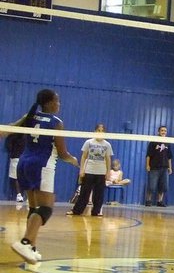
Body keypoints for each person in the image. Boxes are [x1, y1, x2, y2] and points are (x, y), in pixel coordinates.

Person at [6, 89, 79, 263]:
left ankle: (31, 247)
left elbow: (8, 129)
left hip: (23, 164)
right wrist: (73, 160)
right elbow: (62, 153)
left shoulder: (30, 116)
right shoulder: (56, 122)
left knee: (33, 209)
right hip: (42, 166)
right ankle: (25, 242)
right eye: (57, 101)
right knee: (46, 209)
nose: (59, 104)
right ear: (49, 103)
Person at [68, 123, 113, 217]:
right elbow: (84, 156)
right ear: (95, 131)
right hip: (89, 171)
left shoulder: (107, 145)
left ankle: (96, 211)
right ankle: (77, 211)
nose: (100, 132)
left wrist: (108, 172)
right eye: (98, 130)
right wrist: (82, 170)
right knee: (84, 192)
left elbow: (108, 159)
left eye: (102, 131)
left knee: (99, 194)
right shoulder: (89, 142)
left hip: (101, 172)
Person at [145, 125, 172, 207]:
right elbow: (148, 155)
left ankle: (159, 201)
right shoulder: (153, 142)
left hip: (164, 167)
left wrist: (170, 167)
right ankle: (148, 200)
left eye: (165, 131)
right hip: (154, 167)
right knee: (152, 186)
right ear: (158, 132)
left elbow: (169, 157)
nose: (163, 132)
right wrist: (147, 165)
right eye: (162, 130)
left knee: (163, 186)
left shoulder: (168, 143)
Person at [5, 132, 25, 202]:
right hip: (20, 157)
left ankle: (20, 195)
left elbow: (9, 146)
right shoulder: (27, 135)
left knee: (17, 177)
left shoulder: (13, 135)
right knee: (20, 177)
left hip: (18, 157)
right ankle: (21, 196)